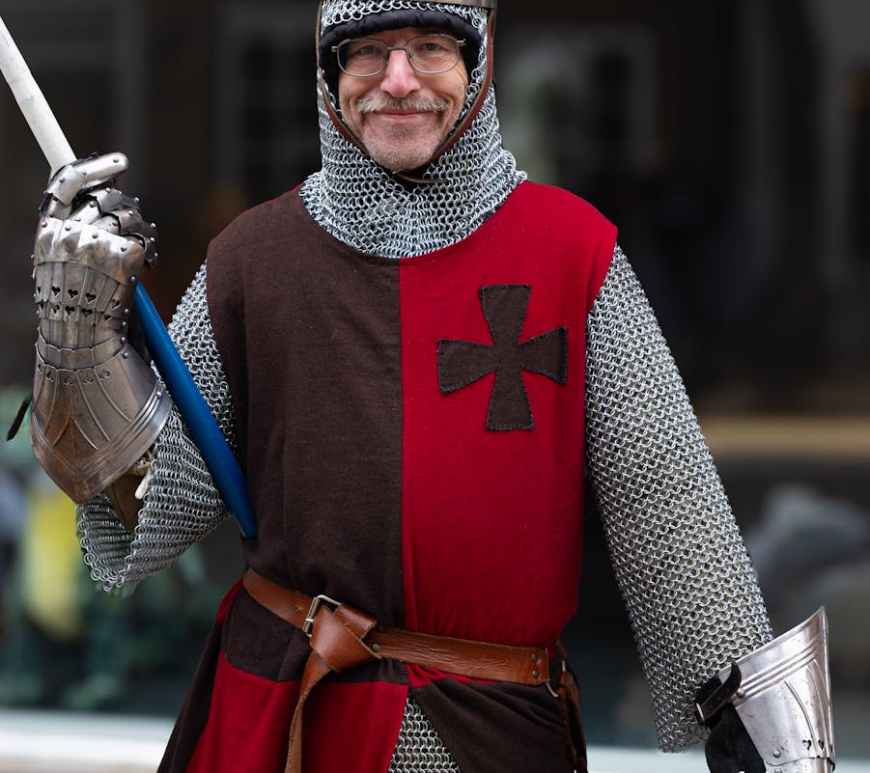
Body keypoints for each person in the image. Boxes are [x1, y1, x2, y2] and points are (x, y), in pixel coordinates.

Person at [28, 2, 835, 772]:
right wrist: (79, 333)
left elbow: (668, 504)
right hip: (282, 721)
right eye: (368, 51)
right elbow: (150, 502)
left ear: (476, 65)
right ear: (329, 72)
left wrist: (769, 728)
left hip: (496, 733)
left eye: (431, 47)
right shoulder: (253, 259)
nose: (399, 79)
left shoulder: (570, 251)